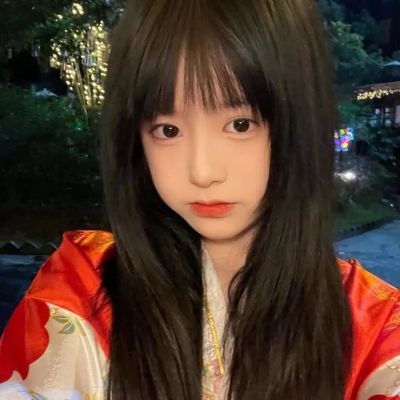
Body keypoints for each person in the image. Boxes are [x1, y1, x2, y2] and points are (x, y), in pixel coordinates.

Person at [1, 0, 400, 399]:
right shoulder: (81, 294)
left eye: (239, 124)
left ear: (298, 124)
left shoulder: (377, 329)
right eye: (167, 130)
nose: (202, 172)